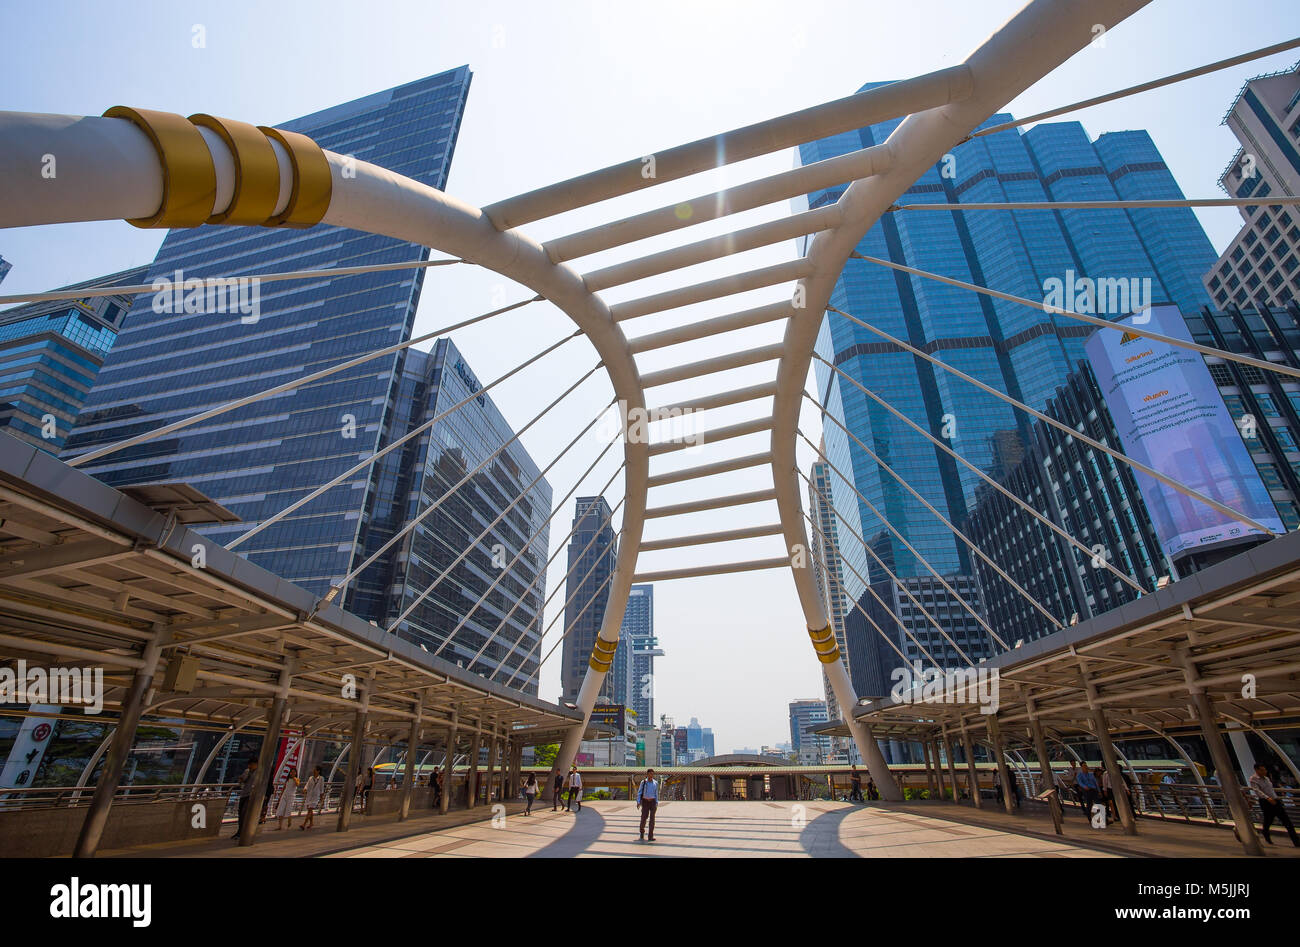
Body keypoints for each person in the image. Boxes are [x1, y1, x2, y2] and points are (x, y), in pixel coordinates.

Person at [1249, 763, 1300, 847]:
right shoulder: (1253, 779)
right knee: (1268, 820)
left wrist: (1275, 798)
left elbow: (1271, 790)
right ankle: (1266, 833)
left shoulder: (1267, 778)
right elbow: (1257, 791)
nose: (1264, 771)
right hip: (1266, 802)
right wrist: (1267, 798)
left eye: (1265, 769)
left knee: (1287, 821)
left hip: (1275, 800)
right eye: (1262, 770)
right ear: (1256, 770)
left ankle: (1296, 841)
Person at [232, 759, 258, 841]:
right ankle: (240, 831)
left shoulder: (259, 773)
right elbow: (241, 781)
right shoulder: (246, 771)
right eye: (249, 764)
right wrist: (241, 780)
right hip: (244, 794)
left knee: (244, 813)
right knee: (241, 813)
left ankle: (244, 832)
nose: (250, 766)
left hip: (251, 795)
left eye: (252, 764)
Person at [636, 768, 659, 841]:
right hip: (645, 801)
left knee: (652, 819)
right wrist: (638, 802)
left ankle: (650, 836)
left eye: (652, 774)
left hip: (653, 802)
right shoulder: (643, 782)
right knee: (644, 818)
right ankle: (642, 831)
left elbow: (656, 793)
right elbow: (639, 792)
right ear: (647, 774)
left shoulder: (655, 783)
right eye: (650, 774)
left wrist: (656, 802)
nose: (651, 775)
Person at [274, 766, 299, 830]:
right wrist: (280, 796)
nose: (292, 773)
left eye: (294, 772)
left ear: (296, 773)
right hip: (284, 795)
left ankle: (289, 819)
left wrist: (294, 778)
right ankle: (280, 825)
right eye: (291, 772)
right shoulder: (287, 779)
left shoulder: (296, 779)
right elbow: (284, 788)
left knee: (288, 809)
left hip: (291, 796)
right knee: (281, 809)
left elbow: (297, 784)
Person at [300, 766, 324, 830]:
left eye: (315, 770)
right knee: (310, 810)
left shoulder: (321, 779)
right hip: (309, 795)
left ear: (318, 771)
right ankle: (311, 823)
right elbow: (307, 785)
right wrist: (305, 789)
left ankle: (304, 824)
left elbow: (322, 789)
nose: (313, 771)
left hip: (316, 796)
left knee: (310, 809)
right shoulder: (311, 778)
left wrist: (322, 798)